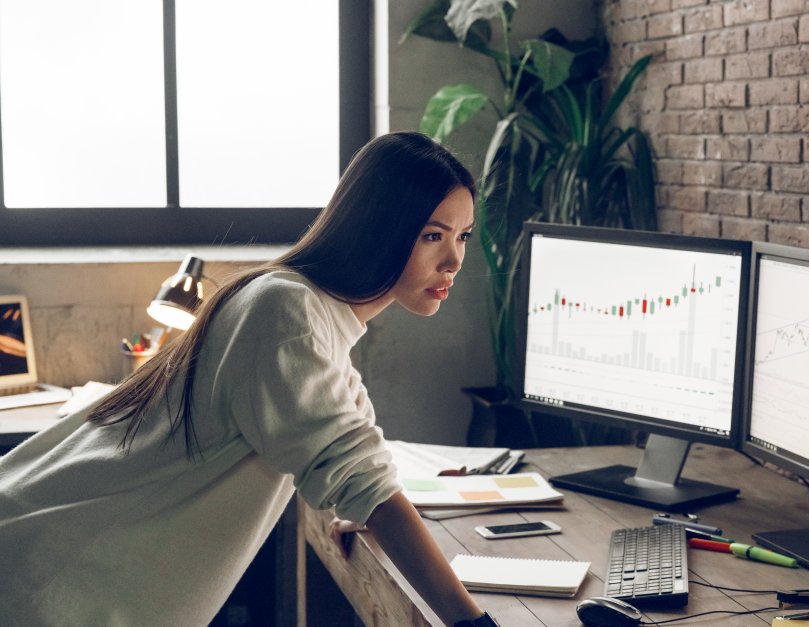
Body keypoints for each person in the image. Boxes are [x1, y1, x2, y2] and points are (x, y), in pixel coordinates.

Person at [0, 132, 499, 626]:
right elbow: (367, 484)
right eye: (432, 235)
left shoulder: (317, 325)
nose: (454, 260)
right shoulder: (287, 312)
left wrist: (364, 504)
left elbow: (361, 465)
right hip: (48, 577)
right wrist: (473, 623)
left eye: (462, 237)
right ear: (377, 228)